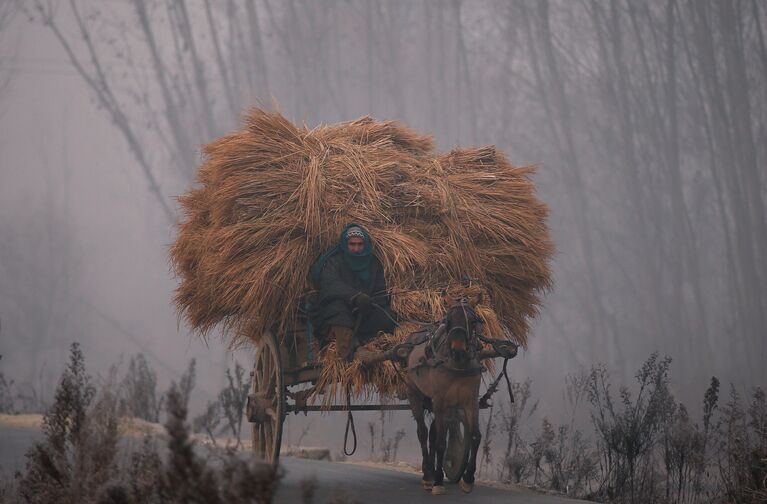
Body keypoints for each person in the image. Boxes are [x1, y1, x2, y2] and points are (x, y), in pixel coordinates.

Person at [310, 223, 397, 360]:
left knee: (387, 317)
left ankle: (376, 346)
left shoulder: (374, 263)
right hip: (340, 309)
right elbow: (330, 284)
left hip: (366, 309)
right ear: (345, 244)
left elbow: (381, 290)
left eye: (360, 244)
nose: (356, 249)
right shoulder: (334, 262)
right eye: (352, 244)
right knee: (338, 311)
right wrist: (354, 297)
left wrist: (371, 302)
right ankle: (350, 352)